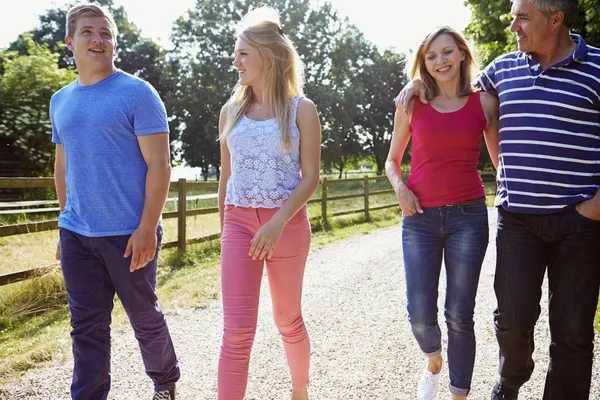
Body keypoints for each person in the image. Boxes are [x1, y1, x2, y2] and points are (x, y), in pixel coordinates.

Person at [396, 1, 600, 399]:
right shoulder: (502, 70)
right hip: (518, 220)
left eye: (522, 17)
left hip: (580, 222)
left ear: (554, 19)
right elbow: (455, 92)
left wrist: (598, 203)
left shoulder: (597, 68)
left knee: (573, 331)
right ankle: (510, 381)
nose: (513, 26)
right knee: (511, 321)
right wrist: (418, 84)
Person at [51, 3, 179, 399]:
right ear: (70, 42)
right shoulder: (60, 100)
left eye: (105, 33)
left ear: (114, 43)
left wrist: (146, 228)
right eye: (88, 32)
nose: (98, 39)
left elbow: (160, 164)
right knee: (86, 325)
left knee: (144, 316)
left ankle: (165, 381)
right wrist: (63, 222)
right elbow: (62, 165)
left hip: (128, 232)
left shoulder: (137, 93)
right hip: (76, 232)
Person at [386, 26, 499, 400]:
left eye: (447, 53)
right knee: (420, 314)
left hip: (468, 217)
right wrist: (400, 188)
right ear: (423, 63)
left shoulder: (484, 104)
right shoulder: (412, 103)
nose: (440, 61)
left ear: (463, 54)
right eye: (431, 56)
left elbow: (501, 162)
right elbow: (391, 161)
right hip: (419, 219)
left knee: (460, 314)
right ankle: (433, 360)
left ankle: (458, 394)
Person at [216, 5, 321, 400]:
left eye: (243, 53)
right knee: (236, 329)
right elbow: (227, 175)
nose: (236, 61)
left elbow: (310, 177)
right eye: (236, 53)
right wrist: (226, 225)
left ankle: (299, 391)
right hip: (238, 225)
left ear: (268, 56)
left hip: (287, 225)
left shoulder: (301, 109)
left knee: (287, 319)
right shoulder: (230, 111)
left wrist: (276, 223)